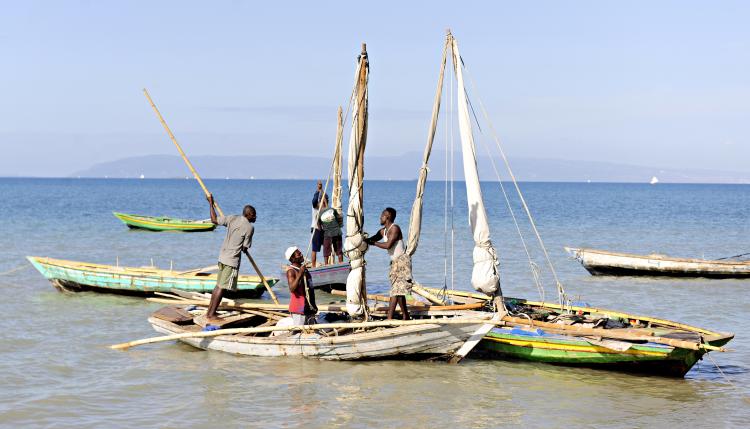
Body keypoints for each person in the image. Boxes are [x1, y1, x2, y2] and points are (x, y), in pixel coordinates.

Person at [204, 193, 256, 323]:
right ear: (248, 215)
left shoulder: (232, 218)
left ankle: (209, 312)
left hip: (222, 257)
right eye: (254, 214)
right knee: (222, 287)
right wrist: (244, 248)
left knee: (218, 285)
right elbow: (245, 248)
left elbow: (214, 220)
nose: (255, 217)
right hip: (231, 260)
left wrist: (210, 203)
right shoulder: (249, 227)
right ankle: (212, 314)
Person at [365, 207, 411, 320]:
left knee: (395, 291)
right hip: (394, 262)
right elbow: (373, 239)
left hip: (402, 262)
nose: (380, 217)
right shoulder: (383, 231)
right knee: (399, 292)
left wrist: (374, 243)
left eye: (382, 215)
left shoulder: (395, 228)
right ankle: (406, 316)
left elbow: (388, 245)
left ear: (388, 217)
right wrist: (363, 240)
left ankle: (389, 318)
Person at [285, 246, 318, 325]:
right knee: (299, 332)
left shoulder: (304, 270)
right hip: (299, 310)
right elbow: (292, 288)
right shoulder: (291, 271)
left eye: (300, 253)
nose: (302, 255)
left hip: (309, 308)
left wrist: (314, 305)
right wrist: (300, 274)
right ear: (293, 258)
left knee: (311, 332)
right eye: (298, 254)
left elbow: (310, 289)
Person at [319, 195, 344, 264]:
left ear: (320, 202)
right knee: (339, 251)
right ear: (328, 201)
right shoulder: (332, 210)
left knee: (326, 252)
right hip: (336, 232)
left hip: (328, 234)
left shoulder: (319, 213)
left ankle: (327, 264)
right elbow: (339, 219)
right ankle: (341, 263)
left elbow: (319, 227)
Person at [310, 181, 326, 267]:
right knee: (314, 249)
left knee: (327, 246)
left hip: (324, 229)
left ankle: (327, 263)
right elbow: (314, 200)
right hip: (316, 228)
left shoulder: (324, 208)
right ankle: (313, 266)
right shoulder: (315, 206)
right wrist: (318, 190)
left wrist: (322, 190)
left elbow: (325, 200)